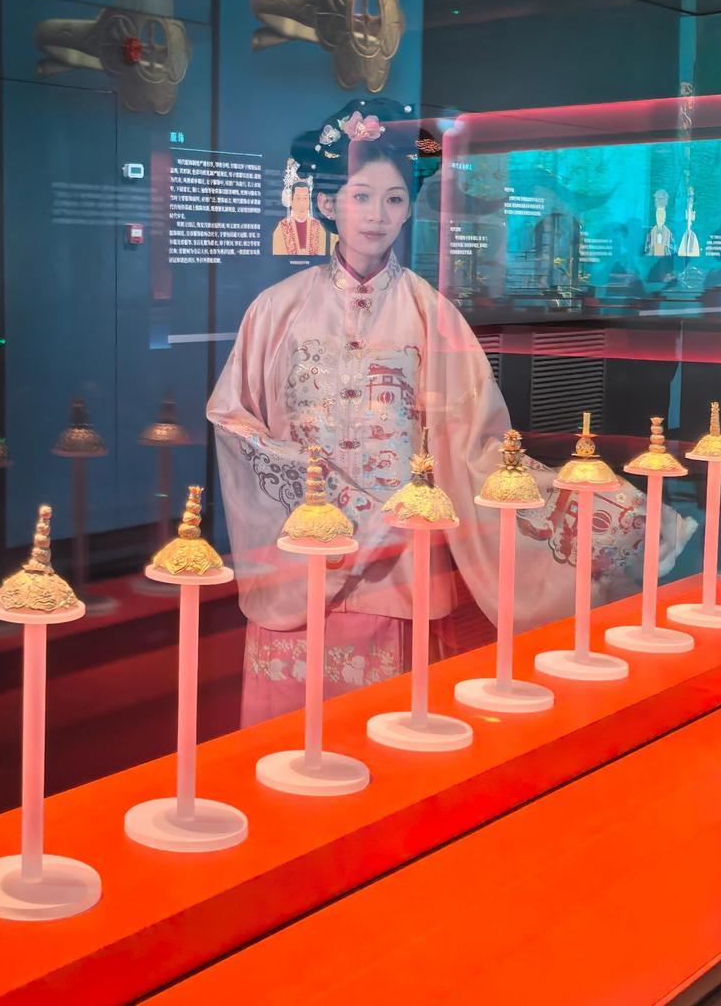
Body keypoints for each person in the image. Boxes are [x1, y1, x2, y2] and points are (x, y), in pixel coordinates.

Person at [209, 98, 689, 723]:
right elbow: (233, 419)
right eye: (360, 196)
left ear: (409, 208)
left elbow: (476, 443)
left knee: (388, 728)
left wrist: (589, 509)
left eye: (393, 199)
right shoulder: (276, 310)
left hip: (400, 558)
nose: (377, 216)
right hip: (301, 555)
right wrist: (327, 497)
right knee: (287, 737)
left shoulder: (432, 314)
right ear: (327, 203)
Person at [272, 175, 329, 256]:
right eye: (298, 198)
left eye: (305, 198)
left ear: (309, 201)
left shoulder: (318, 228)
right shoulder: (282, 228)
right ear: (291, 201)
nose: (302, 203)